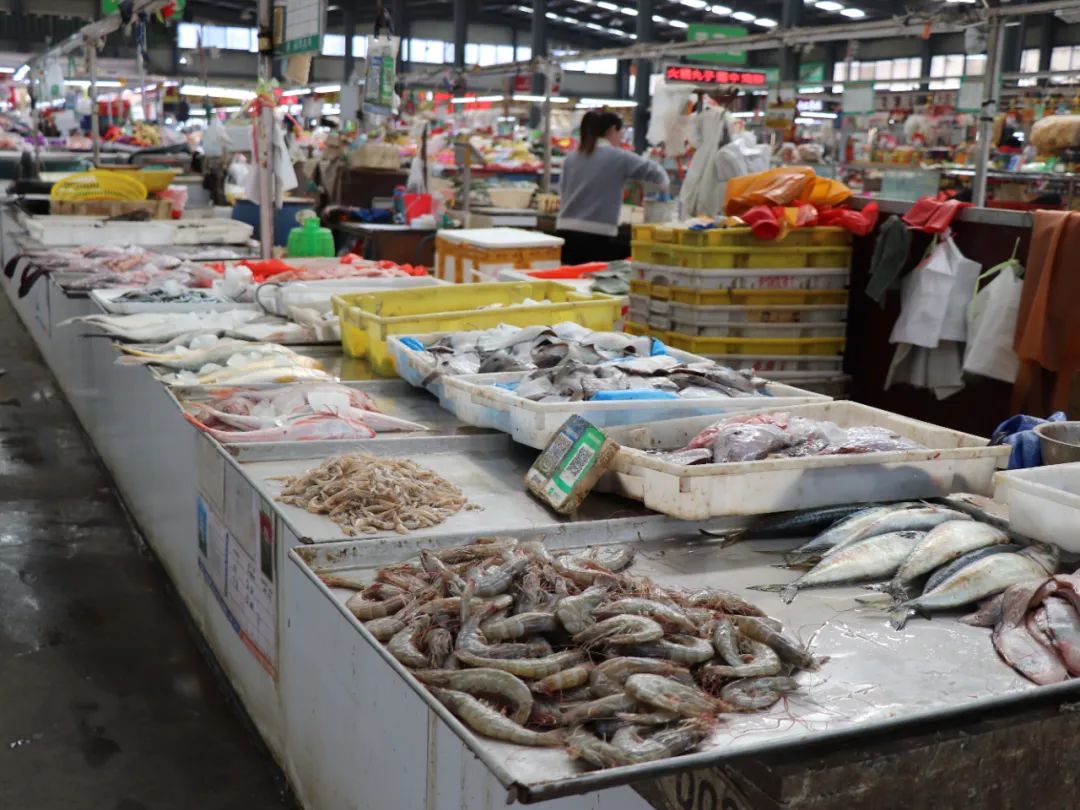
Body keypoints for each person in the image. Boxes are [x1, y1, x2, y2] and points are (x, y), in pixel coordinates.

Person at [556, 110, 669, 265]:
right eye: (620, 133)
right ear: (613, 130)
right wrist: (664, 193)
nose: (620, 138)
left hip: (564, 232)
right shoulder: (618, 157)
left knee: (571, 277)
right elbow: (658, 173)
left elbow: (562, 191)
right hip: (597, 236)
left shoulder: (572, 157)